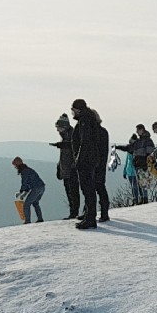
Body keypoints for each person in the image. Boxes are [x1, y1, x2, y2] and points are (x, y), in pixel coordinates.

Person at [70, 98, 109, 229]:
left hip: (87, 161)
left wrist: (79, 160)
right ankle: (89, 215)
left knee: (88, 189)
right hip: (91, 160)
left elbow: (85, 142)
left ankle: (90, 218)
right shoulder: (88, 120)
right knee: (89, 189)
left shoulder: (84, 121)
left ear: (77, 110)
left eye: (73, 110)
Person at [115, 124, 155, 204]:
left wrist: (146, 162)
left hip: (142, 164)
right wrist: (118, 147)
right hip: (137, 164)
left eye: (138, 130)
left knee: (143, 183)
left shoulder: (147, 140)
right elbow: (128, 148)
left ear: (142, 130)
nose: (137, 132)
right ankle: (143, 199)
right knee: (140, 183)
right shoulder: (138, 141)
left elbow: (150, 152)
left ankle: (145, 199)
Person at [52, 114, 80, 219]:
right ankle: (73, 211)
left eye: (58, 127)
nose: (57, 130)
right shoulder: (65, 136)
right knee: (69, 191)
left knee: (73, 191)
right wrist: (60, 167)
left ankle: (74, 212)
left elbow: (74, 150)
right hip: (66, 169)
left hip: (72, 169)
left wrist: (73, 167)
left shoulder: (71, 135)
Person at [12, 157, 45, 223]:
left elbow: (24, 182)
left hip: (36, 188)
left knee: (26, 204)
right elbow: (30, 182)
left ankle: (27, 221)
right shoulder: (28, 169)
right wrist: (26, 190)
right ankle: (40, 218)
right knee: (35, 203)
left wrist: (22, 191)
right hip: (42, 187)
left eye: (15, 166)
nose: (15, 167)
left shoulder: (24, 171)